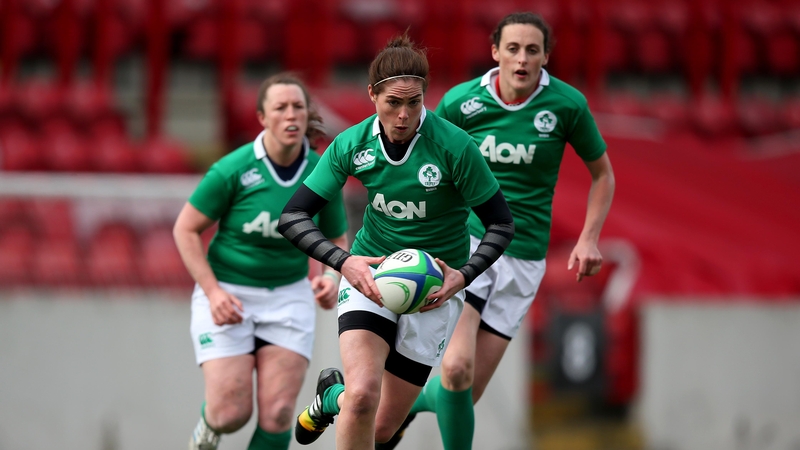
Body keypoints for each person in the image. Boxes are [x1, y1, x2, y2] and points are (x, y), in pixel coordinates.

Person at [377, 11, 616, 450]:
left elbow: (603, 175)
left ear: (546, 56)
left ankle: (406, 407)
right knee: (455, 368)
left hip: (525, 257)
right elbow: (418, 158)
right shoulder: (462, 102)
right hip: (470, 241)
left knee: (463, 392)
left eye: (531, 50)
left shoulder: (567, 106)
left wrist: (589, 237)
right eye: (512, 48)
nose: (521, 58)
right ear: (495, 52)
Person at [277, 34, 515, 450]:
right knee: (364, 396)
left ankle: (330, 397)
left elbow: (501, 225)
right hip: (370, 278)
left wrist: (463, 276)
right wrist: (344, 262)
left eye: (414, 102)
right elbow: (293, 216)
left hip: (437, 292)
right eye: (393, 103)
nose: (404, 115)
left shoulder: (455, 147)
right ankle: (346, 396)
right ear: (372, 95)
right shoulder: (352, 144)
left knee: (382, 429)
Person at [173, 72, 349, 450]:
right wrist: (213, 292)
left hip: (288, 295)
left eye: (298, 107)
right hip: (228, 292)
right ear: (261, 118)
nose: (291, 115)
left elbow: (336, 237)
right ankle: (207, 430)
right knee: (229, 413)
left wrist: (331, 279)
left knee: (280, 411)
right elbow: (184, 230)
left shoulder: (323, 171)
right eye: (280, 108)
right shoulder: (232, 169)